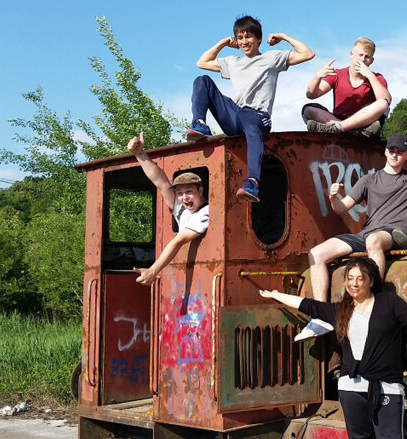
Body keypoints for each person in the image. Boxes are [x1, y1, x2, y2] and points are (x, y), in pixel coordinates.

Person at [259, 257, 407, 439]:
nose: (354, 284)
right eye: (350, 279)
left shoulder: (389, 303)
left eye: (360, 278)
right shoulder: (341, 310)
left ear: (371, 281)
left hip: (387, 388)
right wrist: (275, 295)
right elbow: (309, 306)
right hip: (351, 389)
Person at [301, 134, 407, 341]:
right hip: (367, 233)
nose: (394, 155)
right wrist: (333, 197)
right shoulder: (369, 180)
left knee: (373, 241)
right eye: (391, 150)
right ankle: (321, 315)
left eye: (400, 152)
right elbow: (342, 208)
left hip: (395, 233)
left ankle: (373, 304)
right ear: (385, 151)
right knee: (316, 253)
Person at [186, 16, 314, 203]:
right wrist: (223, 43)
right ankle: (199, 123)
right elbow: (202, 63)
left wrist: (283, 37)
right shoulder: (233, 62)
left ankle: (252, 182)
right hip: (235, 115)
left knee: (251, 124)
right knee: (202, 80)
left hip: (256, 116)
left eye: (248, 37)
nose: (244, 41)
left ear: (259, 38)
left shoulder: (271, 58)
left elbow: (307, 54)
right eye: (240, 38)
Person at [126, 133, 210, 285]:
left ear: (200, 190)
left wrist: (153, 271)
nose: (184, 198)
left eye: (189, 192)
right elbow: (161, 182)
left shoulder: (205, 213)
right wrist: (140, 154)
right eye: (180, 193)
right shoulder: (181, 209)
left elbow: (178, 241)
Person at [302, 37, 390, 137]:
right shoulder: (338, 75)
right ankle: (346, 129)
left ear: (371, 61)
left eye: (367, 57)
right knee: (308, 110)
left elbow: (385, 101)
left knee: (382, 103)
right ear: (351, 54)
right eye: (360, 55)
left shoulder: (377, 78)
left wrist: (370, 76)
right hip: (337, 119)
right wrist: (318, 77)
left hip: (363, 122)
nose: (363, 59)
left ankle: (339, 128)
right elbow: (311, 94)